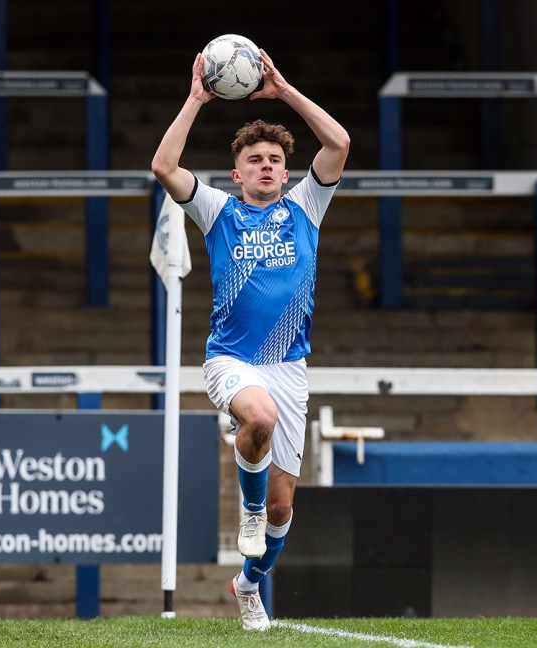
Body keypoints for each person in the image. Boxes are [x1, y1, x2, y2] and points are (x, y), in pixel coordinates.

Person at [152, 46, 350, 631]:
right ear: (235, 174)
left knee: (287, 511)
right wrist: (195, 100)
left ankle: (247, 583)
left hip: (290, 368)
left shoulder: (305, 208)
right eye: (253, 160)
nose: (266, 166)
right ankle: (250, 501)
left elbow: (338, 145)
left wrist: (284, 91)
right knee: (257, 420)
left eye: (273, 160)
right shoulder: (219, 213)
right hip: (232, 358)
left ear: (285, 172)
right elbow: (164, 167)